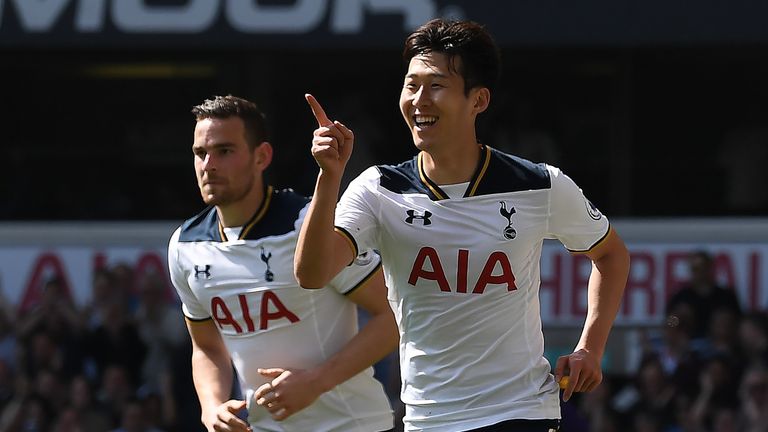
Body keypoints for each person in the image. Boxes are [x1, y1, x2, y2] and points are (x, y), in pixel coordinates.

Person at [294, 18, 630, 432]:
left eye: (436, 85)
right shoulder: (379, 188)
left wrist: (589, 349)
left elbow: (610, 255)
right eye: (411, 85)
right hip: (429, 418)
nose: (419, 100)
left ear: (479, 99)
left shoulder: (539, 184)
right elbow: (312, 274)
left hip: (521, 411)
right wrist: (329, 177)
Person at [167, 95, 397, 432]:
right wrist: (211, 406)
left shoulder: (309, 224)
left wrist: (317, 381)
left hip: (352, 425)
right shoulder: (184, 245)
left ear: (262, 156)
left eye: (225, 151)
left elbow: (391, 314)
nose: (209, 164)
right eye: (201, 153)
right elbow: (206, 346)